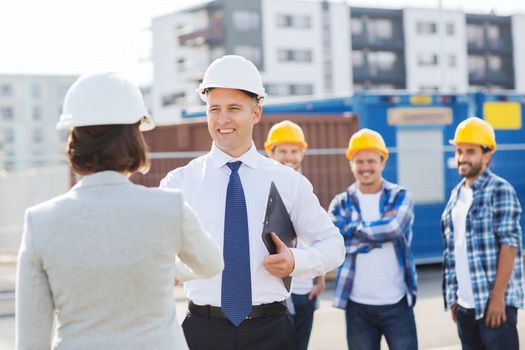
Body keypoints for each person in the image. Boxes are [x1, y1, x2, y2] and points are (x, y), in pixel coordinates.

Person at [15, 72, 224, 350]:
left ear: (73, 141)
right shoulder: (167, 208)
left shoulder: (40, 221)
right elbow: (211, 264)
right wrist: (163, 264)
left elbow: (31, 341)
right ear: (135, 138)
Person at [160, 55, 345, 350]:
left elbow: (333, 246)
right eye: (214, 109)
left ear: (256, 112)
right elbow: (157, 254)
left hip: (270, 331)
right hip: (201, 331)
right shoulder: (179, 183)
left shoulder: (289, 182)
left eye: (234, 109)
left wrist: (296, 262)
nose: (222, 120)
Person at [329, 128, 418, 350]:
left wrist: (351, 230)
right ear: (351, 163)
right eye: (359, 161)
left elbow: (394, 228)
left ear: (383, 162)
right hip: (357, 306)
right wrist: (378, 235)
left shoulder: (400, 196)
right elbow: (334, 243)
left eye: (371, 161)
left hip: (397, 303)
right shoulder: (340, 203)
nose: (365, 167)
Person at [441, 117, 523, 350]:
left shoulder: (500, 190)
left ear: (487, 155)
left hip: (494, 306)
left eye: (470, 151)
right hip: (466, 307)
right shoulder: (457, 194)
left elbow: (510, 246)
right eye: (459, 151)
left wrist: (498, 298)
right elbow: (453, 250)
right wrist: (454, 298)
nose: (462, 157)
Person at [264, 120, 325, 350]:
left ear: (302, 153)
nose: (289, 157)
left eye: (294, 151)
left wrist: (319, 280)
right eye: (283, 151)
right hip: (276, 291)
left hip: (305, 289)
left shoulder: (305, 188)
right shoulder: (263, 187)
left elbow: (315, 238)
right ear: (271, 152)